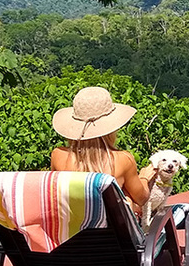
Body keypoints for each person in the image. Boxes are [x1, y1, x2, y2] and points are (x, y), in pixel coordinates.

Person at [51, 86, 152, 214]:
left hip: (72, 226)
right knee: (128, 199)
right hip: (109, 226)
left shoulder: (58, 155)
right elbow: (141, 198)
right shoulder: (123, 160)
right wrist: (144, 178)